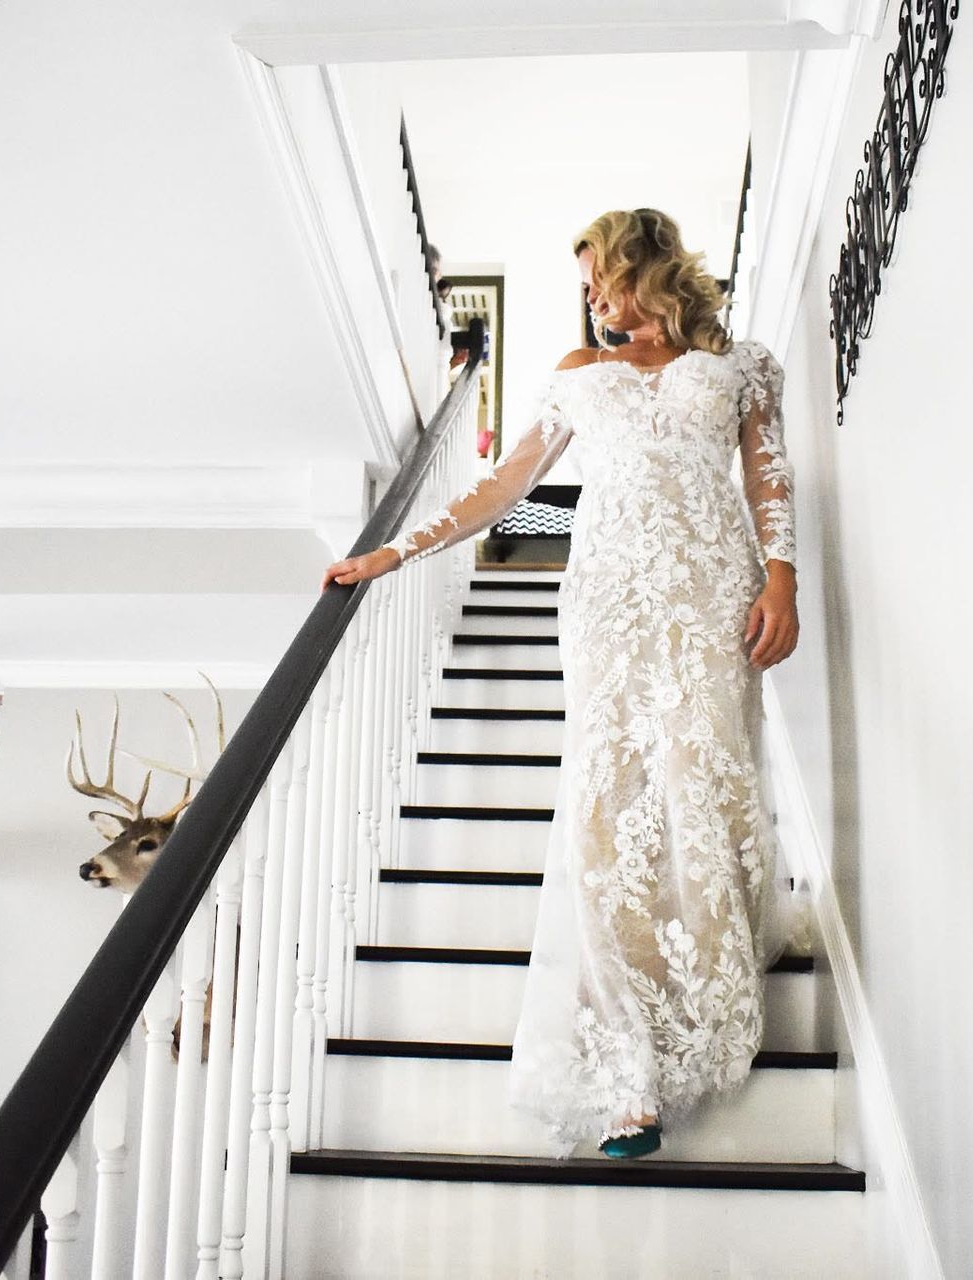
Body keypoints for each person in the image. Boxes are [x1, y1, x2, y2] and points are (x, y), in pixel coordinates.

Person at [320, 207, 800, 1160]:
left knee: (702, 783)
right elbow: (503, 487)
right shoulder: (580, 374)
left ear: (640, 266)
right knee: (604, 810)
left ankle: (707, 992)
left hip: (712, 596)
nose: (593, 299)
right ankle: (626, 1068)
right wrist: (395, 551)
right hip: (608, 603)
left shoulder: (743, 365)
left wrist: (781, 578)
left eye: (599, 278)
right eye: (585, 287)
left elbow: (767, 479)